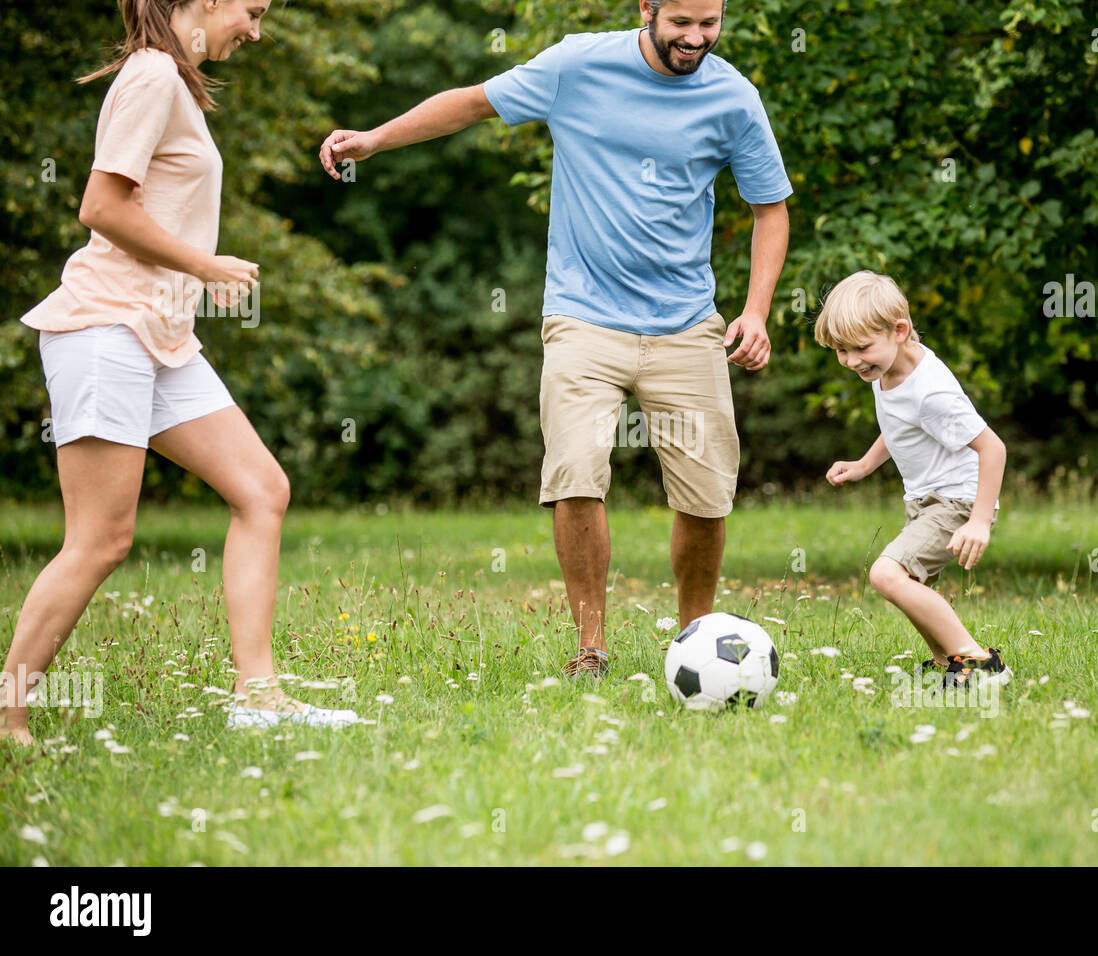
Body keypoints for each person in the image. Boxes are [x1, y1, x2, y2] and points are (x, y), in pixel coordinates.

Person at [319, 0, 791, 678]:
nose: (695, 38)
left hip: (687, 324)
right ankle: (591, 648)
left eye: (709, 24)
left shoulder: (733, 98)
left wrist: (757, 311)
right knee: (575, 471)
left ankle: (697, 638)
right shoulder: (578, 65)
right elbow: (474, 103)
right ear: (647, 9)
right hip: (583, 316)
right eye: (681, 22)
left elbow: (770, 208)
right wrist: (373, 139)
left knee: (705, 495)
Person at [1, 0, 358, 745]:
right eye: (252, 11)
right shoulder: (153, 75)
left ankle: (257, 694)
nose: (256, 31)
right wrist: (205, 264)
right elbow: (100, 206)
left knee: (261, 490)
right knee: (100, 539)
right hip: (105, 326)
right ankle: (8, 711)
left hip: (161, 337)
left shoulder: (175, 82)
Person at [819, 271, 1010, 688]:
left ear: (899, 330)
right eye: (841, 350)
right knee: (906, 582)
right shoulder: (886, 368)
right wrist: (864, 465)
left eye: (860, 348)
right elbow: (899, 425)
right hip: (926, 499)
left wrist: (978, 521)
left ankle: (979, 663)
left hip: (957, 501)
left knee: (887, 575)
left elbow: (993, 449)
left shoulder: (931, 392)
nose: (851, 361)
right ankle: (948, 664)